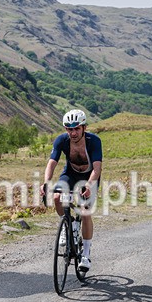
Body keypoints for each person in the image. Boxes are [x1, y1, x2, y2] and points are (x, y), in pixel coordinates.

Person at [40, 109, 102, 272]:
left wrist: (89, 185)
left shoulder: (94, 141)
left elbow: (97, 168)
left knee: (84, 210)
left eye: (76, 128)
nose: (73, 133)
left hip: (89, 176)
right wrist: (46, 182)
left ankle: (86, 254)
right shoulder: (62, 140)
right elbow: (52, 162)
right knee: (57, 197)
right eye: (69, 129)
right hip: (70, 174)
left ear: (84, 127)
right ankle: (68, 225)